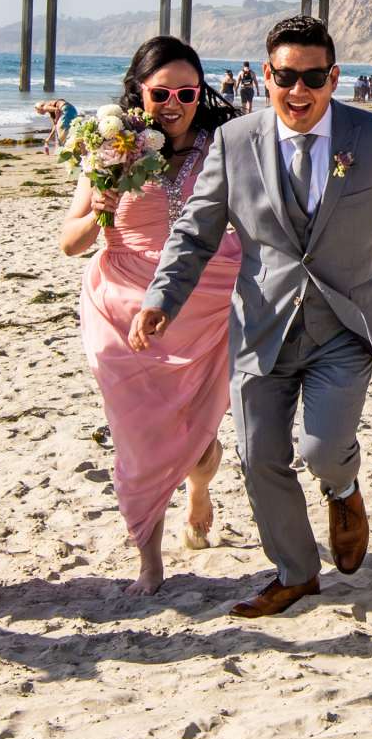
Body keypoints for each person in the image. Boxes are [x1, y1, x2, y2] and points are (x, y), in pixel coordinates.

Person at [134, 16, 372, 618]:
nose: (297, 92)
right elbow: (194, 234)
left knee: (322, 447)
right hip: (260, 328)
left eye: (311, 78)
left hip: (345, 325)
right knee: (259, 457)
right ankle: (295, 573)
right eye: (284, 77)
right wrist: (160, 299)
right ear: (266, 75)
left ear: (332, 78)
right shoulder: (234, 142)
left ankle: (345, 487)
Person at [60, 38, 241, 594]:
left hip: (205, 299)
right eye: (161, 92)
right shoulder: (110, 147)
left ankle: (199, 487)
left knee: (199, 434)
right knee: (139, 437)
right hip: (120, 305)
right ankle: (149, 556)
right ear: (139, 92)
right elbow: (70, 243)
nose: (174, 103)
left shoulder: (224, 146)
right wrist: (98, 211)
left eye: (187, 92)